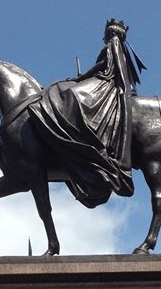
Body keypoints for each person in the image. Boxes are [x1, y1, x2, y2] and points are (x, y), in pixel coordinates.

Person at [28, 19, 146, 208]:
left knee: (72, 94)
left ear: (112, 32)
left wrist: (82, 77)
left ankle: (76, 132)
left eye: (106, 31)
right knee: (72, 91)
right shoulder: (115, 45)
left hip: (106, 83)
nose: (104, 35)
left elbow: (103, 67)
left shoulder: (113, 43)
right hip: (104, 80)